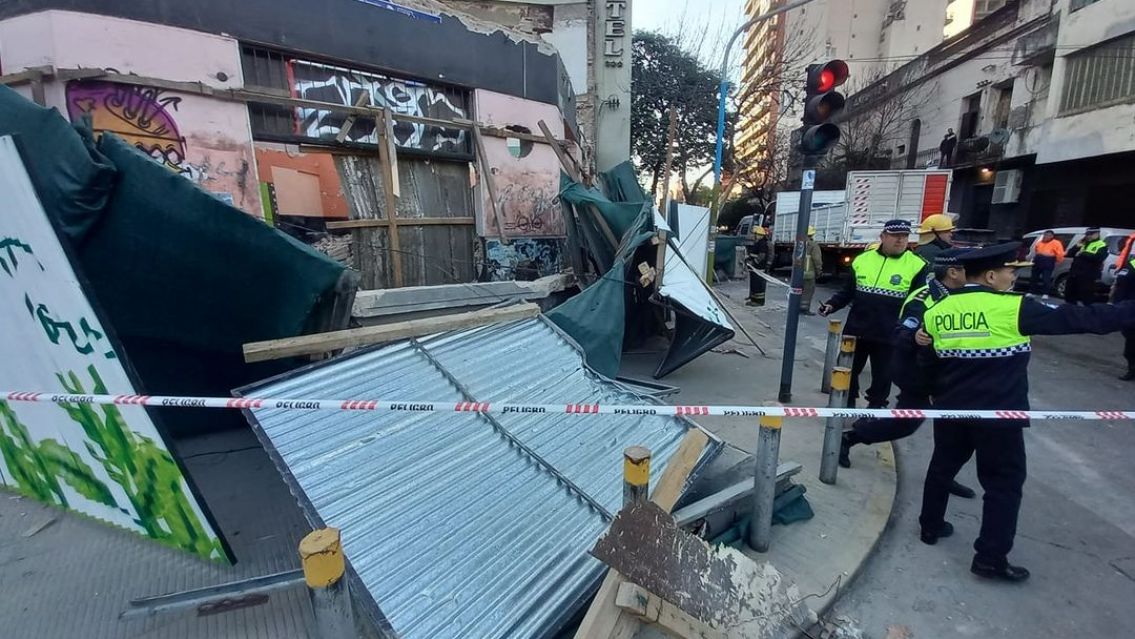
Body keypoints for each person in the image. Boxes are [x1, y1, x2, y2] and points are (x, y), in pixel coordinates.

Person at [918, 242, 1135, 582]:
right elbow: (1084, 318)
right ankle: (989, 558)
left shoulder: (937, 311)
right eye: (1010, 271)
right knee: (1003, 485)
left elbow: (927, 364)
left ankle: (929, 527)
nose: (1013, 277)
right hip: (999, 417)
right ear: (991, 275)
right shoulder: (1014, 308)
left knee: (942, 466)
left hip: (950, 409)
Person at [839, 248, 975, 498]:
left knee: (959, 431)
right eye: (969, 269)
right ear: (953, 273)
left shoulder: (966, 295)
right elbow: (902, 333)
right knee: (905, 425)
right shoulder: (924, 298)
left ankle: (945, 475)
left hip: (954, 375)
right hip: (921, 375)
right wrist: (914, 337)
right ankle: (850, 439)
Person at [818, 219, 928, 407]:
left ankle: (875, 409)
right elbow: (848, 292)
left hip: (889, 332)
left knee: (883, 376)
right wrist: (831, 305)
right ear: (883, 237)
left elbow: (919, 304)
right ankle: (847, 402)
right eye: (895, 236)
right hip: (857, 328)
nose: (900, 240)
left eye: (904, 236)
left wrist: (910, 329)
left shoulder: (918, 265)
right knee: (846, 368)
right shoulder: (863, 260)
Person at [1112, 231, 1135, 380]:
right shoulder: (1131, 264)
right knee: (1130, 342)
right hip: (1128, 306)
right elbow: (1122, 283)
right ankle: (1132, 368)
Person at [1064, 227, 1108, 305]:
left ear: (1097, 234)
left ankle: (1089, 314)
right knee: (1069, 294)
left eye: (1091, 234)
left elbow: (1099, 258)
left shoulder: (1102, 245)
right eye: (1087, 234)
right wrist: (1076, 247)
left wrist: (1083, 253)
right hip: (1074, 273)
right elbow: (1069, 254)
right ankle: (1071, 311)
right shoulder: (1083, 243)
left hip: (1088, 276)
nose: (1088, 236)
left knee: (1086, 297)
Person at [1029, 230, 1065, 298]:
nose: (1046, 236)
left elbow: (1060, 254)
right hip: (1038, 261)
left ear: (1052, 236)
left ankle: (1045, 293)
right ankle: (1032, 292)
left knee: (1046, 279)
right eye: (1045, 235)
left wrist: (1058, 260)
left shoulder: (1056, 243)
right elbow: (1036, 251)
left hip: (1048, 262)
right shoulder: (1039, 242)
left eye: (1048, 235)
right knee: (1034, 278)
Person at [801, 226, 823, 315]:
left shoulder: (799, 244)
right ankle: (804, 309)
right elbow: (817, 260)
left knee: (799, 291)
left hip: (799, 273)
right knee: (808, 291)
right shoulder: (813, 245)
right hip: (809, 274)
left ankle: (797, 307)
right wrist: (819, 271)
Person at [746, 226, 770, 306]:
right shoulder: (758, 242)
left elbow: (761, 256)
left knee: (758, 285)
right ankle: (753, 299)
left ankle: (758, 301)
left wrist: (754, 263)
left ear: (759, 234)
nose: (754, 236)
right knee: (754, 284)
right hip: (755, 268)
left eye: (755, 234)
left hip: (759, 268)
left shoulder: (762, 243)